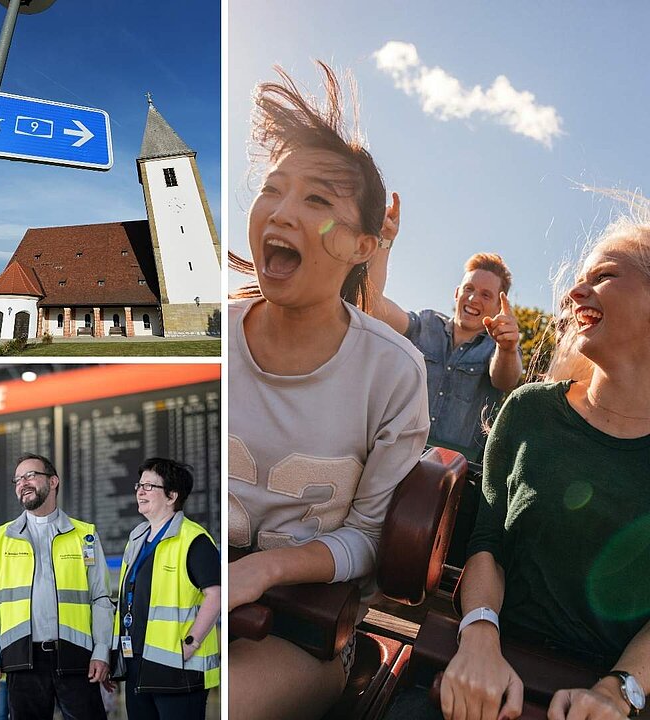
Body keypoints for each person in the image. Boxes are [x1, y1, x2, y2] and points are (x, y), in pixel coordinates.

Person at [227, 62, 429, 719]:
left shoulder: (394, 372)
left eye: (317, 200)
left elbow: (367, 539)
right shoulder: (211, 336)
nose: (283, 211)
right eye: (272, 189)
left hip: (300, 628)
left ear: (364, 245)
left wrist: (264, 569)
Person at [403, 204, 650, 720]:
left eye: (603, 276)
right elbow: (487, 542)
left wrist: (619, 691)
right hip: (491, 665)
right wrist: (479, 637)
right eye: (579, 279)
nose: (575, 292)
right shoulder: (530, 410)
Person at [366, 204, 523, 459]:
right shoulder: (426, 324)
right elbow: (373, 306)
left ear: (497, 306)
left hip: (455, 470)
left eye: (486, 295)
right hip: (395, 454)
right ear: (457, 293)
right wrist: (384, 241)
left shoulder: (497, 348)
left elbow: (506, 380)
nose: (473, 298)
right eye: (469, 289)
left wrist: (507, 349)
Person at [0, 453, 114, 720]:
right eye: (17, 479)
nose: (22, 483)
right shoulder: (0, 539)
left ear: (53, 481)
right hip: (22, 660)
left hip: (77, 658)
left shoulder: (85, 535)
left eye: (30, 475)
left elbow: (101, 598)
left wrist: (102, 650)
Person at [113, 458, 221, 720]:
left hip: (178, 669)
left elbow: (216, 594)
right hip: (137, 664)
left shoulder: (194, 539)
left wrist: (191, 643)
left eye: (149, 486)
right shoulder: (137, 538)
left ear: (172, 496)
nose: (140, 491)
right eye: (139, 485)